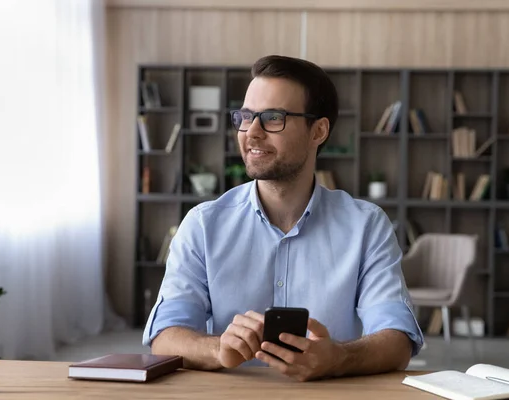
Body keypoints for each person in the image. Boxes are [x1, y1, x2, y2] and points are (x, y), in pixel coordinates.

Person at [142, 55, 424, 382]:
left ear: (318, 131)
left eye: (273, 117)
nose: (252, 132)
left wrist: (339, 357)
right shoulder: (203, 225)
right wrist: (218, 348)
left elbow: (398, 339)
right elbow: (164, 337)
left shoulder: (367, 226)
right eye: (245, 117)